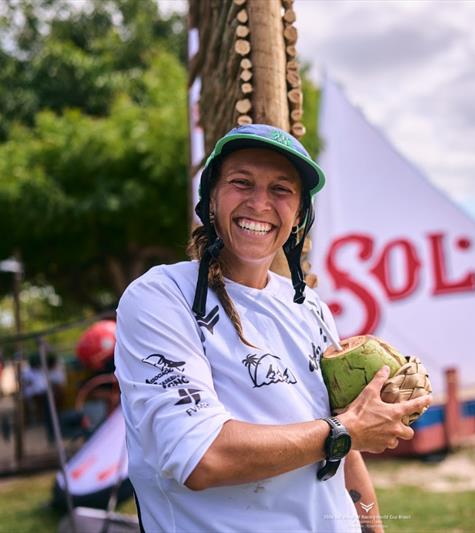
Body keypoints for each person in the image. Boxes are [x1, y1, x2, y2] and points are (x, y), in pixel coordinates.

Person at [114, 124, 430, 532]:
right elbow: (203, 457)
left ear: (298, 216)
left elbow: (343, 454)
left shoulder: (308, 306)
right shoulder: (161, 298)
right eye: (241, 183)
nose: (260, 203)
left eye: (281, 190)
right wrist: (346, 431)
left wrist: (372, 526)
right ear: (211, 199)